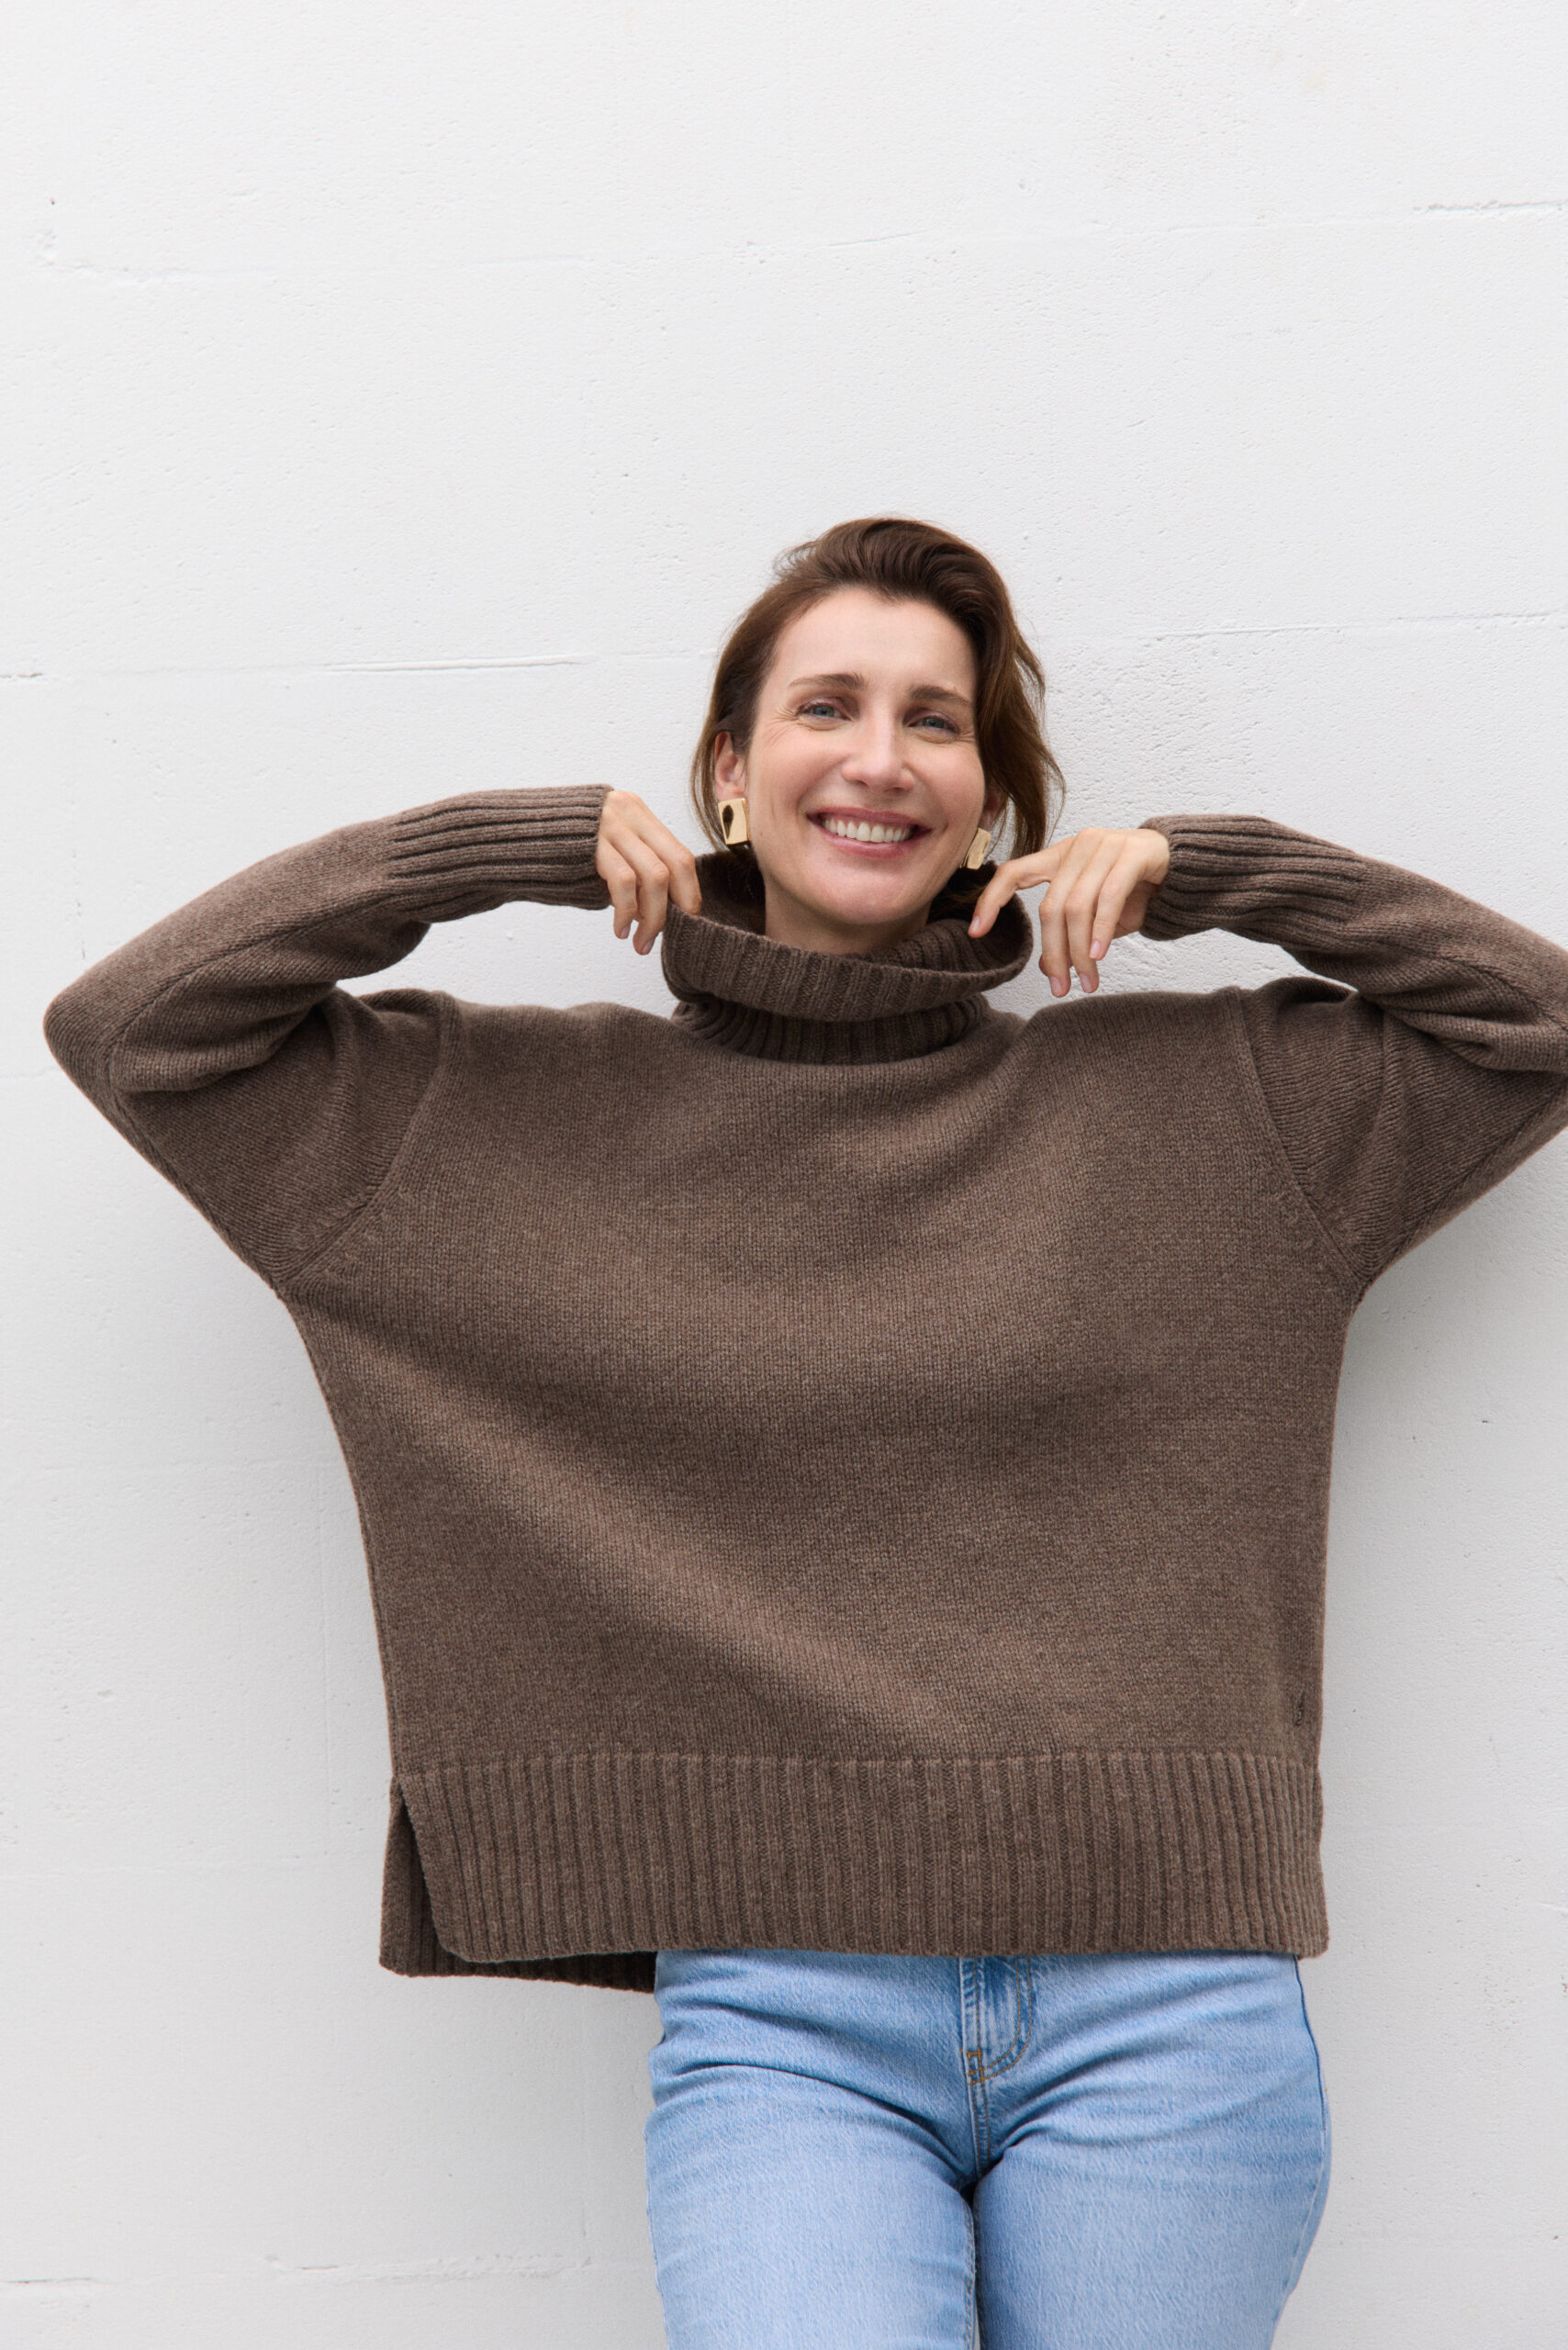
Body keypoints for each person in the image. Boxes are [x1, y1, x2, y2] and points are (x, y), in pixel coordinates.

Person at [42, 517, 1568, 2349]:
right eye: (824, 705)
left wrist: (1212, 872)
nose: (878, 755)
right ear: (725, 770)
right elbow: (136, 1032)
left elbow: (1535, 1025)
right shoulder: (499, 1121)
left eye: (936, 719)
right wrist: (489, 849)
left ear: (993, 799)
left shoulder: (1219, 1110)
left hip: (1171, 2007)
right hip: (784, 2012)